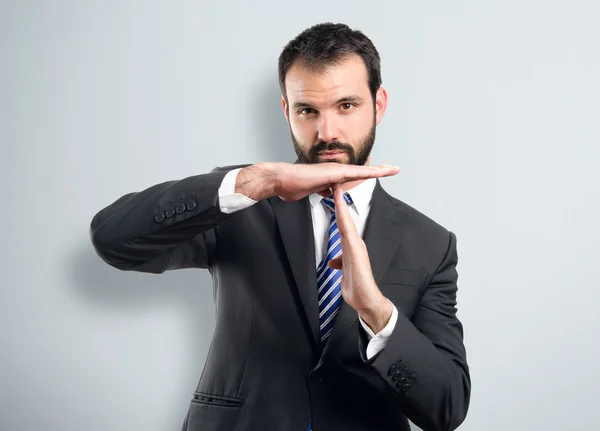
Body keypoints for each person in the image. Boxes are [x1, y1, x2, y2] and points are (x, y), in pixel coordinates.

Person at [90, 22, 470, 431]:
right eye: (308, 110)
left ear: (378, 105)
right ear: (288, 111)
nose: (328, 133)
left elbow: (446, 406)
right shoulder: (243, 200)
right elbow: (114, 240)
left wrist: (377, 312)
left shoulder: (430, 243)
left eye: (346, 106)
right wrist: (258, 182)